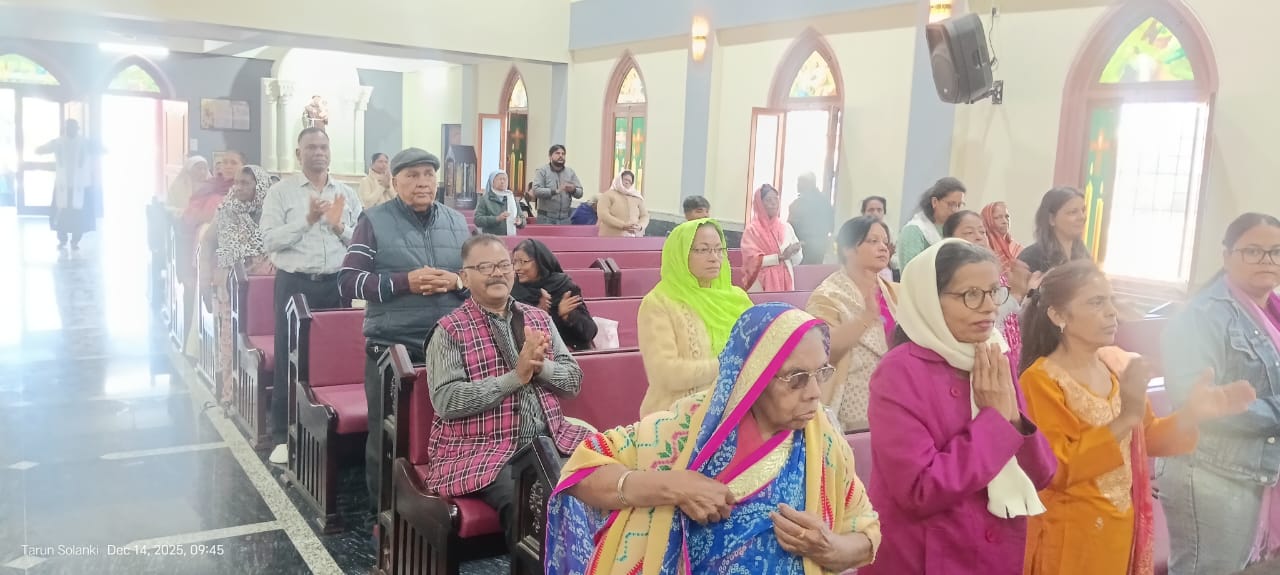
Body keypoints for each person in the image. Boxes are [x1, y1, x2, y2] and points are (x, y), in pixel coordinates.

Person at [545, 303, 881, 575]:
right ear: (753, 377)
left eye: (821, 373)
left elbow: (866, 532)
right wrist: (674, 486)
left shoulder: (824, 442)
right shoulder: (686, 429)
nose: (815, 393)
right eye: (796, 378)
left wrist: (830, 548)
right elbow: (581, 471)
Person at [1018, 260, 1254, 575]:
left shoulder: (1115, 368)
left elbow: (1148, 437)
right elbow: (1055, 469)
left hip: (1118, 525)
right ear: (1058, 315)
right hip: (1069, 533)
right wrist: (1126, 416)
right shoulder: (1041, 380)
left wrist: (1193, 414)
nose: (1111, 312)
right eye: (1096, 302)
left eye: (1111, 300)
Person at [862, 239, 1057, 575]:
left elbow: (1042, 474)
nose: (989, 307)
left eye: (993, 292)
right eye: (971, 295)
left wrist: (1012, 419)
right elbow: (919, 490)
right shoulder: (898, 372)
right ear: (930, 301)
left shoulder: (993, 354)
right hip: (923, 556)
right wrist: (996, 423)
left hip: (994, 554)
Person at [424, 233, 591, 551]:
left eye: (503, 265)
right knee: (533, 506)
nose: (497, 273)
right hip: (484, 452)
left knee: (608, 484)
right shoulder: (449, 330)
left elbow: (573, 383)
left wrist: (540, 368)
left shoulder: (539, 318)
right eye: (485, 267)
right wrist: (515, 377)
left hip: (551, 440)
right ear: (464, 277)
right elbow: (446, 401)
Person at [337, 147, 469, 511]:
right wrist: (404, 282)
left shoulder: (457, 222)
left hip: (449, 347)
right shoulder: (374, 220)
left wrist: (457, 281)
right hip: (393, 350)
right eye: (412, 175)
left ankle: (434, 513)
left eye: (428, 174)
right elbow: (348, 281)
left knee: (450, 431)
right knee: (388, 437)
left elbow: (482, 278)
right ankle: (383, 517)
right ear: (395, 182)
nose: (422, 182)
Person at [1161, 212, 1280, 575]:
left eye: (1276, 251)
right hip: (1212, 472)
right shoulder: (1202, 316)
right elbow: (1197, 400)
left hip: (1260, 468)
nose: (1267, 260)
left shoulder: (1274, 309)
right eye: (1253, 251)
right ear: (1227, 255)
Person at [259, 127, 363, 465]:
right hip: (295, 284)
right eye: (311, 147)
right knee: (291, 357)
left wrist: (337, 226)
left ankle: (327, 432)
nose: (318, 152)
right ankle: (282, 434)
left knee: (334, 358)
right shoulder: (281, 193)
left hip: (336, 283)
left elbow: (361, 242)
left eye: (323, 147)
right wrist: (307, 221)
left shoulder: (346, 193)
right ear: (298, 153)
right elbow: (270, 240)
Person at [638, 219, 754, 417]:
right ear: (681, 255)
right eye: (703, 250)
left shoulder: (737, 298)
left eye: (719, 249)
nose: (714, 258)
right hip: (677, 415)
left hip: (735, 408)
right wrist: (728, 366)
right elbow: (665, 373)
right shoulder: (658, 303)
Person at [806, 216, 895, 432]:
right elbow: (821, 350)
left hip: (895, 395)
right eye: (873, 241)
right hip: (851, 401)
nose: (883, 247)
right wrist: (865, 318)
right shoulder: (827, 295)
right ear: (847, 248)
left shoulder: (893, 291)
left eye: (885, 242)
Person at [210, 165, 275, 404]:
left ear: (260, 186)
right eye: (236, 182)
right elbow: (224, 249)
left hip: (268, 284)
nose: (238, 187)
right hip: (235, 283)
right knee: (231, 338)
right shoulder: (227, 210)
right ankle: (232, 394)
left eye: (245, 183)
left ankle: (263, 396)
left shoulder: (273, 213)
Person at [944, 210, 1038, 364]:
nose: (979, 236)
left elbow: (1012, 319)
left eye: (982, 232)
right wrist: (1016, 295)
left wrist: (1028, 295)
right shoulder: (951, 278)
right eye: (969, 232)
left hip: (1006, 355)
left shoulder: (997, 275)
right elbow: (988, 320)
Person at [182, 150, 246, 357]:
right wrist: (211, 219)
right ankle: (210, 347)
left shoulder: (249, 188)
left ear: (243, 165)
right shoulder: (209, 188)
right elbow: (190, 217)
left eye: (233, 162)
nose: (227, 166)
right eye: (224, 162)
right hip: (209, 248)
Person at [511, 239, 598, 351]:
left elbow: (590, 332)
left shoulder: (565, 287)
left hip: (569, 353)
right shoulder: (514, 292)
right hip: (534, 355)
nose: (517, 268)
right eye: (514, 262)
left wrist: (568, 316)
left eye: (523, 262)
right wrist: (539, 314)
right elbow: (513, 337)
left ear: (540, 261)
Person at [36, 119, 99, 250]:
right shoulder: (58, 142)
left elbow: (101, 149)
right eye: (69, 128)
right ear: (65, 129)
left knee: (79, 216)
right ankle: (62, 239)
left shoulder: (84, 142)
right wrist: (42, 149)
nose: (71, 130)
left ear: (77, 129)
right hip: (63, 185)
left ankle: (75, 240)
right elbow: (39, 150)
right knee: (61, 215)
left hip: (81, 185)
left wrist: (97, 146)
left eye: (73, 128)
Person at [742, 184, 804, 292]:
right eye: (768, 200)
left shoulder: (786, 227)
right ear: (760, 204)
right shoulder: (752, 230)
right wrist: (780, 257)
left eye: (776, 199)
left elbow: (797, 260)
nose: (774, 203)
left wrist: (795, 251)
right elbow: (751, 261)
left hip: (786, 283)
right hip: (760, 285)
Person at [897, 177, 966, 268]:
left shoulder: (954, 229)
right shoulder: (915, 230)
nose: (955, 210)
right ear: (934, 202)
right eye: (950, 204)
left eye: (959, 205)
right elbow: (911, 270)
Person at [1018, 188, 1089, 275]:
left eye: (1083, 210)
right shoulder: (1031, 259)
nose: (1082, 217)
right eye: (1073, 212)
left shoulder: (1083, 254)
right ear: (1051, 219)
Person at [789, 173, 834, 265]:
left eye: (801, 182)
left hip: (806, 246)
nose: (798, 185)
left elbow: (792, 225)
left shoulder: (816, 203)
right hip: (816, 247)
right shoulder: (824, 201)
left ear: (810, 184)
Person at [532, 144, 583, 224]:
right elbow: (536, 190)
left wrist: (574, 190)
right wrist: (555, 191)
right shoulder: (542, 171)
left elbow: (580, 193)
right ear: (550, 156)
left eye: (563, 154)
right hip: (546, 218)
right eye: (557, 153)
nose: (561, 156)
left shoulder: (570, 172)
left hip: (565, 219)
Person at [596, 170, 649, 237]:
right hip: (611, 236)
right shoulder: (608, 195)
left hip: (633, 237)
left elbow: (644, 215)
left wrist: (640, 226)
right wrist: (623, 225)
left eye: (630, 181)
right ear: (619, 179)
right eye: (625, 180)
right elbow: (603, 214)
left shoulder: (637, 197)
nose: (627, 182)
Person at [473, 170, 525, 235]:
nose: (502, 181)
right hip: (491, 238)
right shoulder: (485, 199)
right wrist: (497, 219)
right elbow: (477, 220)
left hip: (510, 237)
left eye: (505, 179)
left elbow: (522, 218)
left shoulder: (512, 198)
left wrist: (520, 221)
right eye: (500, 179)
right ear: (492, 182)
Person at [982, 201, 1023, 273]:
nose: (1005, 221)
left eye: (1007, 216)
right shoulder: (983, 247)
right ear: (988, 221)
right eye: (997, 217)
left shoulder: (1017, 248)